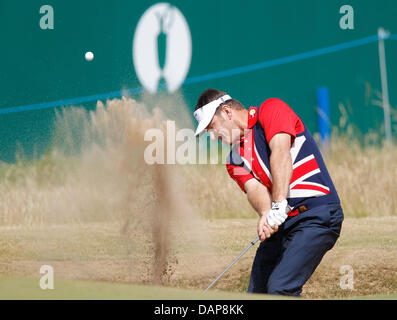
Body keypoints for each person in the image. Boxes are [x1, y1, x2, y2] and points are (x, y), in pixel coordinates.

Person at [193, 88, 344, 296]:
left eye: (212, 127)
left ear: (227, 112)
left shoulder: (271, 109)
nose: (212, 136)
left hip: (316, 214)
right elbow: (254, 188)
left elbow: (280, 152)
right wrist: (266, 214)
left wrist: (279, 202)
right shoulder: (234, 160)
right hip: (283, 223)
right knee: (258, 293)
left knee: (281, 288)